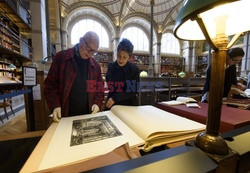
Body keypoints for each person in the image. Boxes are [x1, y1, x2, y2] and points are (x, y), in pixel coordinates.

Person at [44, 31, 104, 122]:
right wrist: (55, 105)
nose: (90, 54)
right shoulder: (61, 58)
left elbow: (99, 89)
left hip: (88, 116)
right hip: (65, 115)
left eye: (94, 51)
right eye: (88, 48)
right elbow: (50, 85)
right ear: (81, 41)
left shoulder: (95, 66)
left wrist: (97, 103)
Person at [105, 38, 139, 109]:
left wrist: (115, 98)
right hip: (113, 104)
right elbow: (111, 86)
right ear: (116, 53)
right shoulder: (111, 66)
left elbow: (133, 91)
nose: (121, 60)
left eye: (124, 57)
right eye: (119, 56)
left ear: (129, 57)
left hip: (129, 104)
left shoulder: (134, 69)